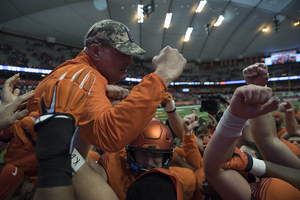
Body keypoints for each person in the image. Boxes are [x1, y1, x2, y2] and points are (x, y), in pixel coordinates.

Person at [2, 19, 187, 184]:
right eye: (123, 53)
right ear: (96, 51)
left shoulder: (78, 72)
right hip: (31, 185)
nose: (130, 61)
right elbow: (110, 135)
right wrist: (162, 76)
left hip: (35, 177)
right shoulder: (84, 76)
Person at [85, 117, 197, 200]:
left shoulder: (185, 179)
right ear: (130, 153)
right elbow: (78, 165)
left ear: (167, 156)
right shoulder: (113, 165)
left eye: (156, 154)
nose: (148, 162)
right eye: (142, 153)